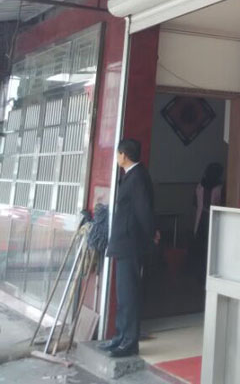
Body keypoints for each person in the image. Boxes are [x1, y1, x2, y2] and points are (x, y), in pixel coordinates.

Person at [100, 138, 155, 358]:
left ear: (124, 155)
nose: (116, 157)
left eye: (117, 153)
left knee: (129, 294)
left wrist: (151, 235)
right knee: (123, 295)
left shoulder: (138, 177)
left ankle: (130, 342)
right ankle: (120, 336)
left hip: (131, 243)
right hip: (124, 243)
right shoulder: (129, 175)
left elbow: (144, 210)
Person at [192, 162, 224, 297]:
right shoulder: (220, 188)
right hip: (213, 220)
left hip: (200, 220)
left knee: (200, 250)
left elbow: (194, 203)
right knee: (211, 251)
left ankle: (200, 277)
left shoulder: (200, 186)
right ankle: (209, 278)